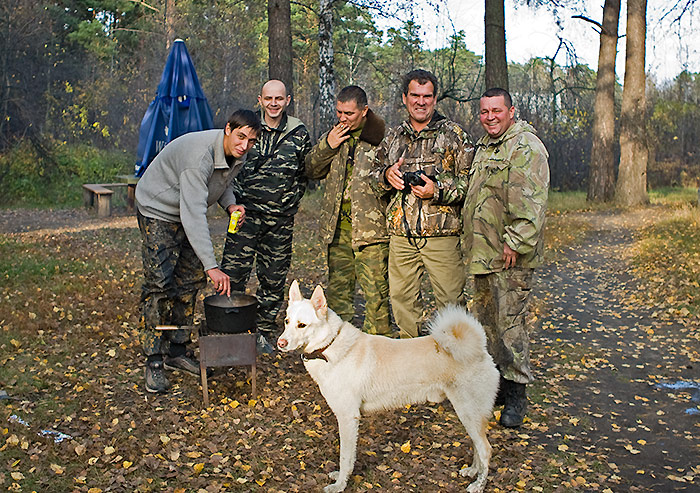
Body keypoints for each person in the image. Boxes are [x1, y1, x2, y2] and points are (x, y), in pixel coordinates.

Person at [135, 109, 261, 393]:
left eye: (251, 141)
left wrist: (231, 205)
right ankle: (154, 358)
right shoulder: (199, 156)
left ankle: (178, 350)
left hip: (185, 210)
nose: (244, 146)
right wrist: (212, 265)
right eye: (240, 137)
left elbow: (220, 183)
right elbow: (193, 213)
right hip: (158, 209)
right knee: (160, 283)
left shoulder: (237, 154)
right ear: (228, 129)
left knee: (190, 280)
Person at [463, 87, 549, 428]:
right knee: (488, 324)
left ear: (511, 111)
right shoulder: (486, 145)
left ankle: (517, 393)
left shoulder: (525, 146)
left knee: (510, 325)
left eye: (496, 111)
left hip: (511, 256)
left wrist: (514, 243)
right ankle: (497, 384)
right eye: (484, 112)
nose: (490, 117)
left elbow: (532, 205)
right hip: (484, 254)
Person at [370, 69, 473, 339]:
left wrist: (436, 190)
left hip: (442, 236)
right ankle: (414, 369)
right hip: (401, 238)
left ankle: (457, 368)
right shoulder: (392, 138)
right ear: (405, 98)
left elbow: (470, 184)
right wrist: (386, 176)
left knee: (451, 305)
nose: (421, 101)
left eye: (427, 96)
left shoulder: (454, 136)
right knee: (402, 303)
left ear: (435, 99)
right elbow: (372, 178)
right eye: (415, 95)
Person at [220, 80, 311, 353]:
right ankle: (228, 331)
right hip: (245, 216)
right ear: (260, 100)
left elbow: (305, 173)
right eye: (268, 98)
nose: (274, 103)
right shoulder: (248, 129)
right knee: (233, 275)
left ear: (287, 100)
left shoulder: (298, 132)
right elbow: (228, 165)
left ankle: (262, 333)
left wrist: (290, 201)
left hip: (280, 220)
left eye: (279, 99)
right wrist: (233, 202)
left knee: (272, 280)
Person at [306, 85, 390, 336]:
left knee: (376, 298)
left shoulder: (383, 138)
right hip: (338, 231)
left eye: (349, 113)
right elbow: (311, 170)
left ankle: (380, 354)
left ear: (364, 111)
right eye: (339, 111)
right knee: (339, 297)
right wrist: (328, 146)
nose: (343, 118)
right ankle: (340, 350)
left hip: (372, 233)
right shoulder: (335, 135)